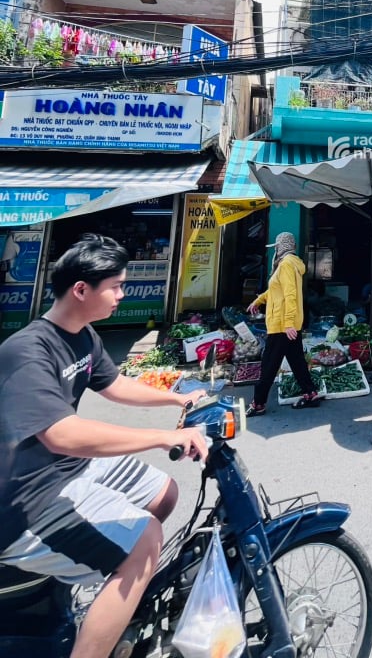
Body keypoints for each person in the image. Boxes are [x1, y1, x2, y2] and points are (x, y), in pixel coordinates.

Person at [0, 233, 208, 658]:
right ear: (81, 290)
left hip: (66, 469)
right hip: (23, 498)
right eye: (115, 286)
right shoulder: (27, 351)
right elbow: (62, 434)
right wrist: (162, 437)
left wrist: (178, 397)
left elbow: (115, 385)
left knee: (163, 492)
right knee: (146, 539)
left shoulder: (83, 335)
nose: (121, 295)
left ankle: (116, 600)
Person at [245, 231, 320, 416]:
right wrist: (259, 300)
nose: (275, 251)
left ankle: (258, 403)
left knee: (269, 365)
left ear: (282, 247)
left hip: (281, 325)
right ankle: (310, 393)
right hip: (287, 324)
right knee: (297, 361)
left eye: (277, 247)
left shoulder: (286, 265)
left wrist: (287, 324)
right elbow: (275, 291)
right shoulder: (289, 264)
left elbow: (290, 295)